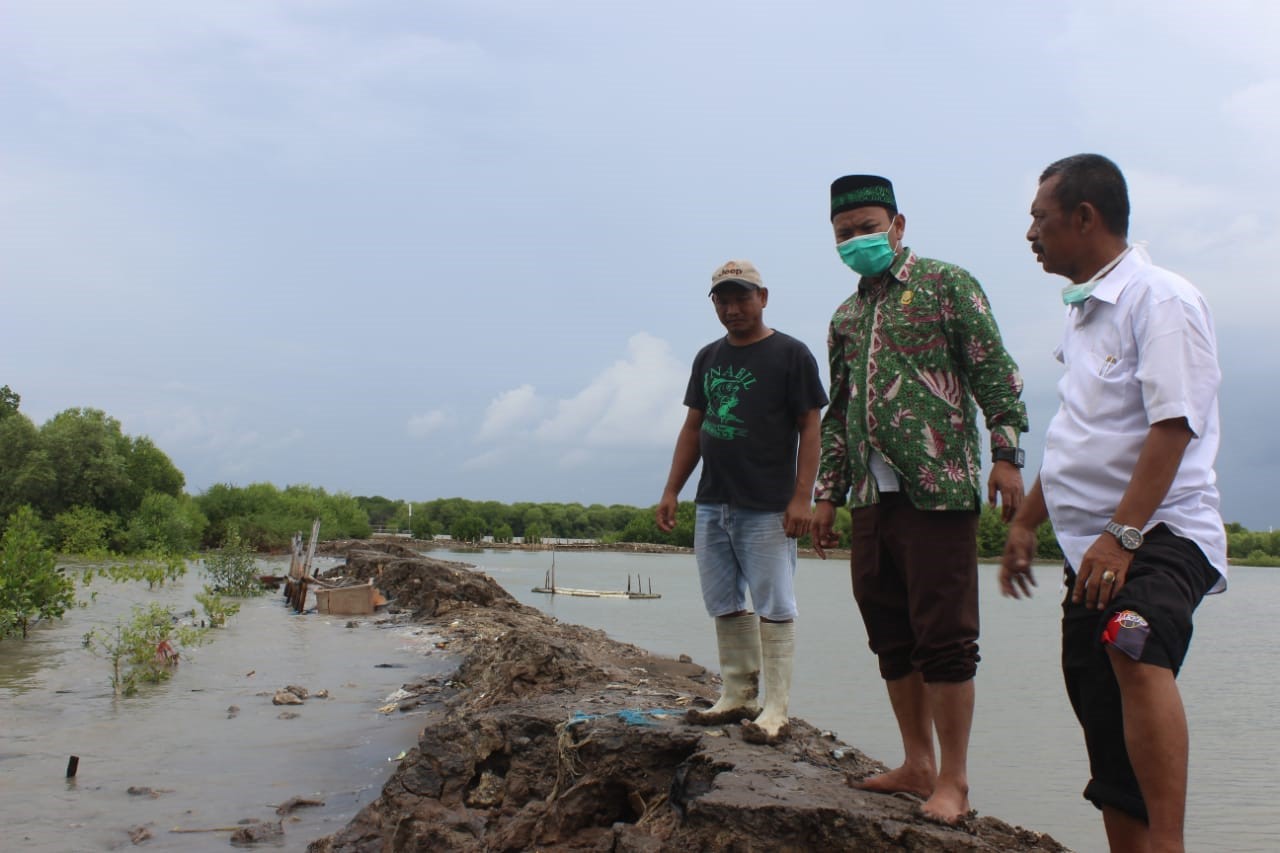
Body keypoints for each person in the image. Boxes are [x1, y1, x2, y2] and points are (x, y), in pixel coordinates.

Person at [1001, 153, 1226, 853]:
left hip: (1159, 531)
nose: (1030, 233)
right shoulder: (1083, 316)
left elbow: (1174, 423)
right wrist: (1026, 523)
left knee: (1131, 636)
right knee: (1100, 710)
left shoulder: (1160, 299)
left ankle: (1169, 843)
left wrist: (1123, 534)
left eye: (1040, 218)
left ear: (1085, 217)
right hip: (1091, 547)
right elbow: (1074, 442)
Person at [811, 175, 1028, 824]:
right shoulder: (845, 317)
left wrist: (1008, 453)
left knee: (945, 634)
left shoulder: (945, 285)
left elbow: (995, 369)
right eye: (845, 233)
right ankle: (916, 762)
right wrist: (826, 494)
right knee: (889, 629)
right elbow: (839, 409)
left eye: (869, 226)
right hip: (869, 498)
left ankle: (954, 781)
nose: (858, 240)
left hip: (939, 487)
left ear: (898, 225)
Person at [656, 259, 827, 745]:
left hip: (769, 505)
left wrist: (802, 497)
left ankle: (776, 709)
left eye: (742, 298)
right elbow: (694, 427)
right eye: (723, 301)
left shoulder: (791, 354)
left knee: (775, 604)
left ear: (763, 298)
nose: (732, 309)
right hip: (714, 501)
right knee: (723, 602)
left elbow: (810, 428)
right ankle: (737, 694)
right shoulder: (708, 357)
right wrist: (672, 490)